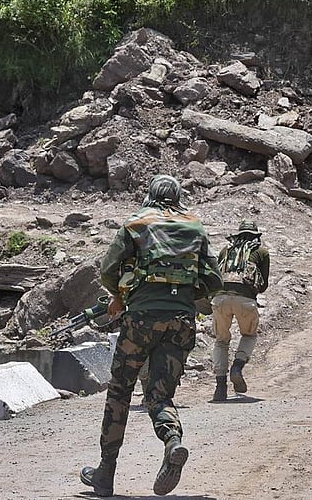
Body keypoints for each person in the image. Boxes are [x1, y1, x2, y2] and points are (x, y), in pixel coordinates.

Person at [80, 174, 222, 497]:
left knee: (120, 390)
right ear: (178, 196)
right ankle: (173, 441)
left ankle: (105, 474)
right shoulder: (195, 227)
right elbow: (214, 279)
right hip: (181, 322)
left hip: (141, 320)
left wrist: (120, 294)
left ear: (149, 194)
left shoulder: (136, 224)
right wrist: (187, 295)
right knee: (160, 395)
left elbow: (107, 269)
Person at [210, 220, 270, 401]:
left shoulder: (225, 250)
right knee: (249, 335)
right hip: (245, 300)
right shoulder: (261, 252)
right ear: (255, 237)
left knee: (221, 341)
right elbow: (264, 285)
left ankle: (220, 388)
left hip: (220, 299)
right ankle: (237, 366)